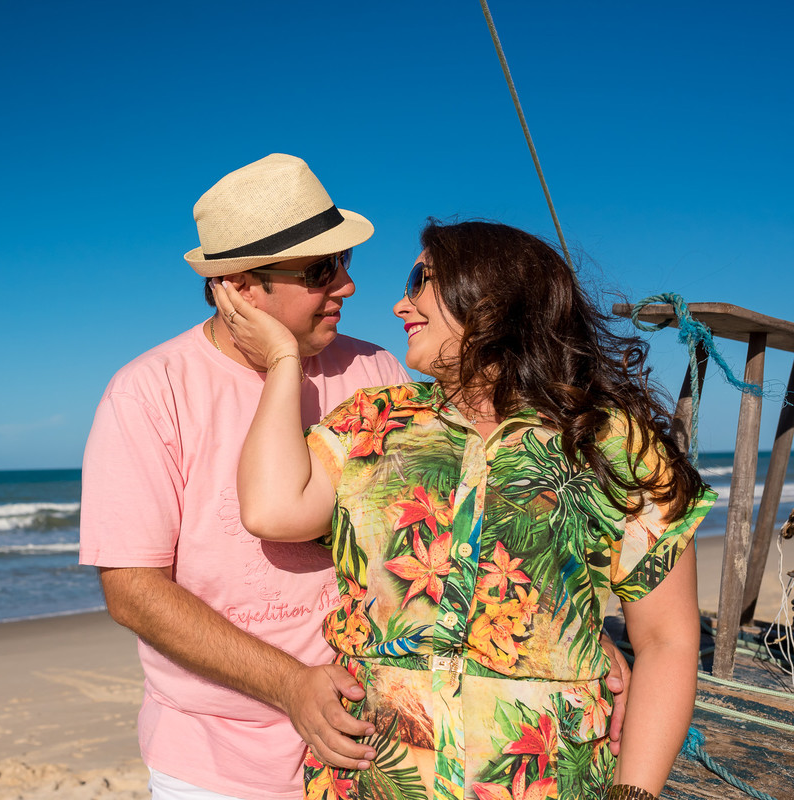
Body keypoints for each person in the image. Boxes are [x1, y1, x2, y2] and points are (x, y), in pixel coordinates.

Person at [80, 157, 629, 800]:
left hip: (380, 755)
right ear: (240, 286)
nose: (347, 285)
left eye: (343, 261)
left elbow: (466, 524)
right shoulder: (150, 393)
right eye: (320, 271)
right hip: (218, 763)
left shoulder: (377, 372)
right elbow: (134, 591)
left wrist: (568, 632)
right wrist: (289, 684)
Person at [221, 219, 713, 800]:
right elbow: (271, 509)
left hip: (547, 782)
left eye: (419, 281)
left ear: (490, 297)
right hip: (375, 779)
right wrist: (283, 358)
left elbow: (666, 641)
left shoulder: (610, 441)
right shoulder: (375, 420)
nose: (400, 304)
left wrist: (635, 793)